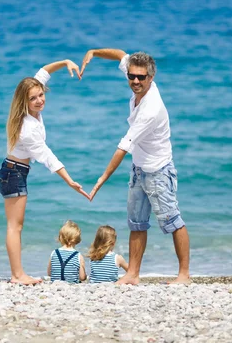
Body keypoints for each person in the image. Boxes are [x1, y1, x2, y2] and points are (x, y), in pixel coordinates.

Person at [80, 49, 190, 285]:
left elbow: (123, 146)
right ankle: (132, 274)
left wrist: (102, 178)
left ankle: (184, 275)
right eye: (132, 76)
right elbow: (120, 54)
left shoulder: (150, 110)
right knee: (136, 222)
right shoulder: (135, 76)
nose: (135, 81)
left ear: (151, 77)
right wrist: (94, 52)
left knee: (173, 221)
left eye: (141, 77)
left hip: (158, 170)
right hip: (139, 168)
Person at [0, 60, 89, 285]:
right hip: (13, 174)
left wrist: (65, 62)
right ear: (24, 101)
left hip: (14, 172)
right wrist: (69, 181)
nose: (39, 100)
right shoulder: (27, 129)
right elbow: (47, 156)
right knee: (14, 226)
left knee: (16, 225)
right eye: (33, 98)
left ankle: (18, 274)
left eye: (41, 95)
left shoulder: (32, 114)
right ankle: (17, 275)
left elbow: (43, 72)